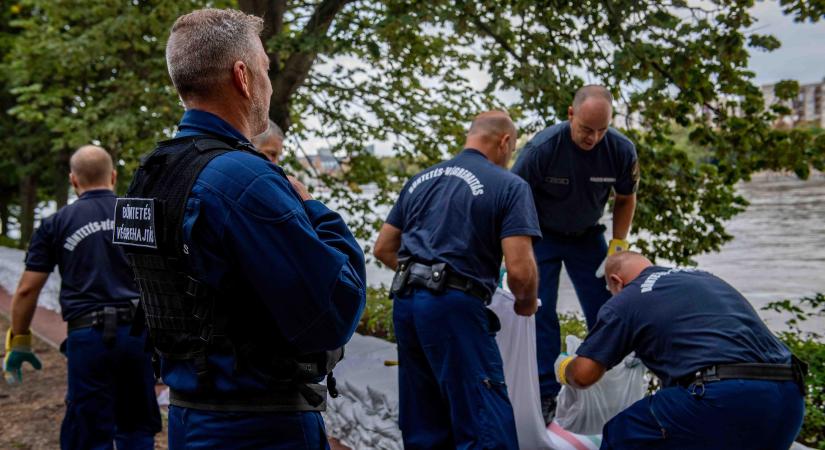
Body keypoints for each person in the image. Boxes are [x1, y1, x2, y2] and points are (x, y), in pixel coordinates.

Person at [112, 9, 366, 449]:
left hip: (191, 416)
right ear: (244, 77)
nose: (268, 83)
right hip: (260, 426)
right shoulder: (244, 181)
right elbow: (334, 313)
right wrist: (315, 209)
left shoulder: (153, 173)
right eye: (266, 69)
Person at [373, 111, 542, 449]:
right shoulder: (509, 185)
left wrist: (420, 277)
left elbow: (383, 248)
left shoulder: (421, 180)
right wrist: (525, 304)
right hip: (453, 307)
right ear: (506, 141)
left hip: (407, 305)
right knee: (484, 418)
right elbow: (521, 271)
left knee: (424, 418)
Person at [556, 251, 806, 450]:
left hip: (725, 398)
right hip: (789, 399)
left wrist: (563, 366)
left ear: (615, 281)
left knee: (622, 432)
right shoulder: (703, 278)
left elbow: (584, 375)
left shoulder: (627, 298)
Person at [3, 145, 161, 449]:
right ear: (113, 176)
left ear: (74, 180)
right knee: (137, 426)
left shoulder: (55, 224)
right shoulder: (138, 215)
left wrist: (19, 338)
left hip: (88, 338)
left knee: (88, 431)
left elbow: (26, 289)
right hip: (138, 335)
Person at [511, 85, 639, 421]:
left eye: (602, 130)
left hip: (588, 238)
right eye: (586, 129)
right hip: (543, 236)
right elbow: (511, 198)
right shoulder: (543, 148)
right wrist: (514, 250)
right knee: (541, 310)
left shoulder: (621, 150)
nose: (593, 138)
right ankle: (545, 393)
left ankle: (605, 381)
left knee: (608, 309)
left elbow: (625, 198)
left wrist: (618, 246)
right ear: (571, 114)